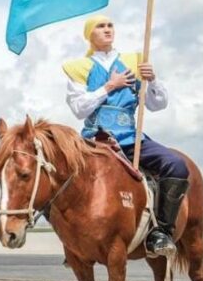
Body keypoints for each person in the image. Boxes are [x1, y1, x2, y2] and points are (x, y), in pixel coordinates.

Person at [64, 15, 189, 257]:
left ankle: (161, 231)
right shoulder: (79, 68)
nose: (107, 29)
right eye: (101, 26)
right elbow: (79, 109)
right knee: (59, 177)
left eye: (110, 25)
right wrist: (110, 86)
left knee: (176, 166)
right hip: (94, 142)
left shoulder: (134, 61)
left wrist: (153, 80)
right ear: (90, 34)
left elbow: (158, 104)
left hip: (132, 138)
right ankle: (71, 242)